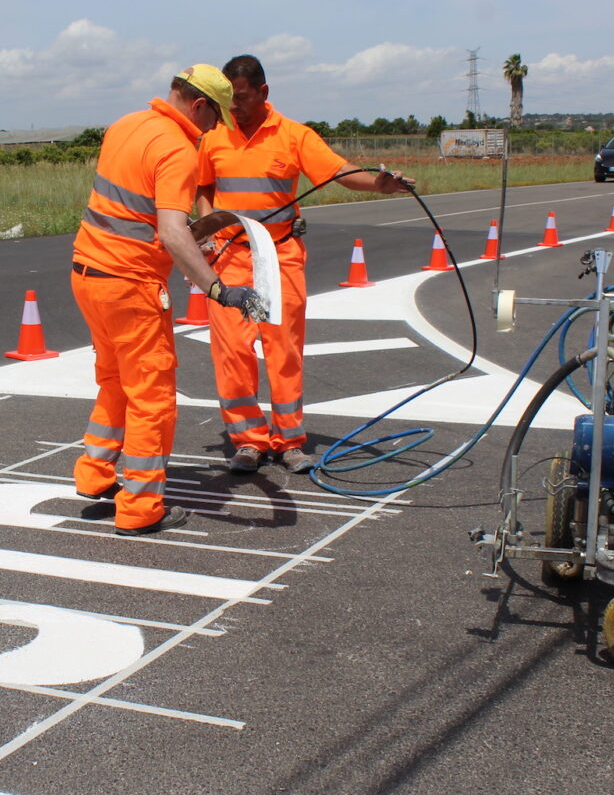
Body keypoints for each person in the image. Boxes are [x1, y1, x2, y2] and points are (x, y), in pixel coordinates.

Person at [72, 65, 266, 536]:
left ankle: (96, 475)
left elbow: (134, 213)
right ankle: (140, 508)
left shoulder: (124, 126)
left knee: (116, 381)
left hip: (87, 273)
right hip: (132, 286)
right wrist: (218, 288)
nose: (214, 130)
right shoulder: (177, 149)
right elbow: (171, 231)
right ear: (198, 105)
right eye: (214, 119)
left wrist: (182, 241)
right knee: (153, 398)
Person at [195, 54, 413, 474]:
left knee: (283, 350)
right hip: (230, 259)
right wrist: (205, 230)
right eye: (227, 99)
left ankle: (289, 439)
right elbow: (204, 186)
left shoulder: (293, 136)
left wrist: (381, 184)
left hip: (277, 261)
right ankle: (248, 440)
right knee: (234, 353)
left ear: (263, 92)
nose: (233, 107)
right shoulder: (214, 136)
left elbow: (339, 172)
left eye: (240, 98)